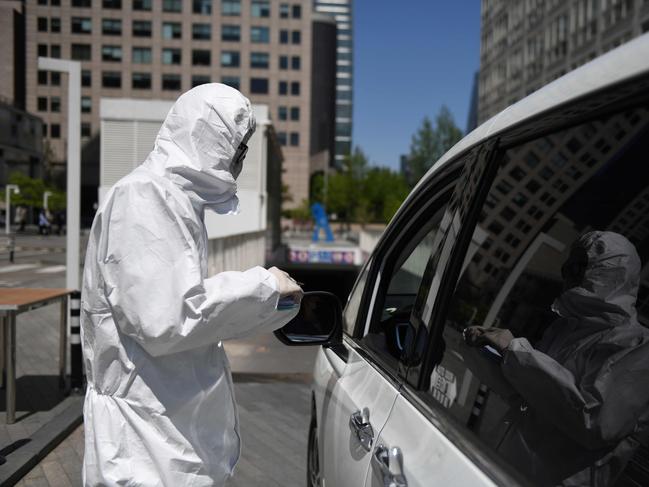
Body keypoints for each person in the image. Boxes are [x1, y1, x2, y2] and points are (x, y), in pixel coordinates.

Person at [81, 83, 303, 486]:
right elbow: (167, 319)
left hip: (163, 434)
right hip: (146, 446)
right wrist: (265, 287)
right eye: (238, 146)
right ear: (210, 137)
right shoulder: (147, 196)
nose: (241, 159)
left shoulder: (171, 199)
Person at [464, 231, 649, 486]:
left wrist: (516, 352)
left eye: (580, 266)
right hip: (502, 466)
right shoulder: (565, 329)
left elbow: (595, 422)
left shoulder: (638, 346)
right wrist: (485, 352)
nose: (568, 274)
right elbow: (531, 394)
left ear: (612, 272)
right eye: (567, 267)